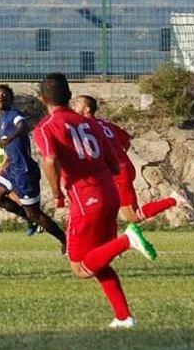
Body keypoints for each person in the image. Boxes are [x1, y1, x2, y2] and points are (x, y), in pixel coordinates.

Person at [34, 73, 158, 329]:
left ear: (43, 99)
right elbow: (114, 164)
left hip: (84, 198)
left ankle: (128, 240)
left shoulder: (46, 127)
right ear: (69, 96)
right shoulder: (92, 124)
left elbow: (50, 160)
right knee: (98, 260)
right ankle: (124, 316)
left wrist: (57, 193)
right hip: (110, 193)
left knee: (79, 267)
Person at [74, 95, 179, 225]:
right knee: (102, 210)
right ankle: (113, 239)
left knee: (133, 216)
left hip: (118, 174)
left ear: (87, 109)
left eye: (77, 103)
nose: (74, 105)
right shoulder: (105, 124)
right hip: (119, 170)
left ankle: (173, 200)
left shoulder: (88, 127)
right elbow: (127, 142)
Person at [0, 84, 66, 250]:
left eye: (5, 94)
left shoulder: (14, 115)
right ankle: (28, 218)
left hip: (24, 171)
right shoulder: (1, 122)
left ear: (11, 99)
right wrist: (4, 164)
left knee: (35, 214)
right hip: (12, 168)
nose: (1, 96)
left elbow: (23, 126)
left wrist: (11, 137)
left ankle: (64, 239)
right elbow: (12, 149)